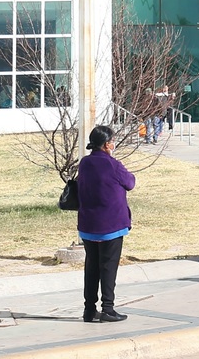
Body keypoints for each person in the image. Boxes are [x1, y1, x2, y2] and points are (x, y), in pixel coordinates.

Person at [76, 125, 136, 323]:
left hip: (88, 226)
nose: (113, 143)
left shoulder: (84, 163)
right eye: (112, 140)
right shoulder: (112, 164)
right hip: (111, 225)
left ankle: (89, 310)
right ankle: (108, 309)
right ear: (107, 144)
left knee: (91, 266)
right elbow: (130, 182)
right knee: (108, 267)